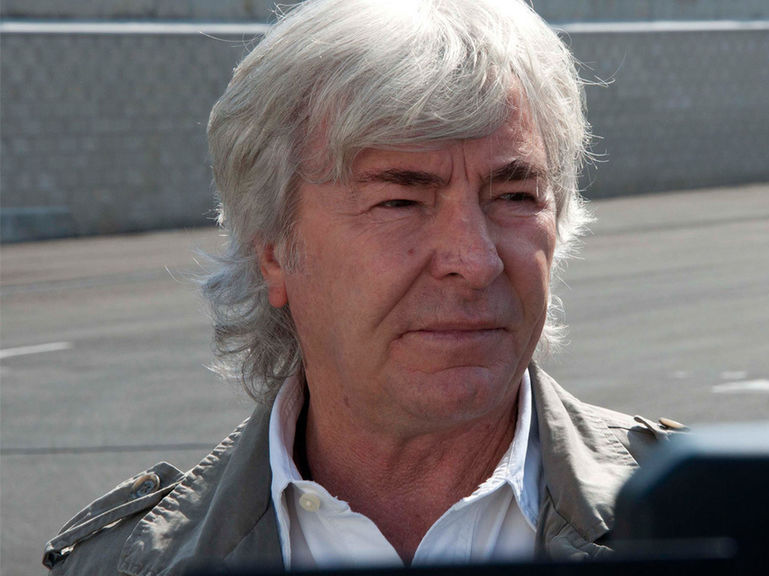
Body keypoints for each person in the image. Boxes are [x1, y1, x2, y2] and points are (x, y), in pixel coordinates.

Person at [43, 0, 683, 572]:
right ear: (273, 249)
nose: (475, 260)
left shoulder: (707, 519)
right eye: (400, 201)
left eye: (515, 196)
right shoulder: (127, 564)